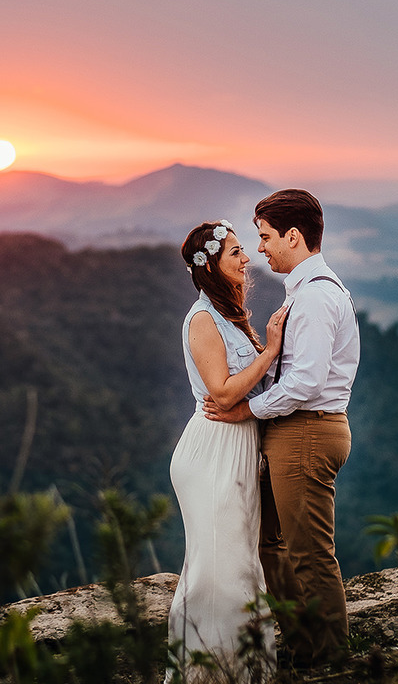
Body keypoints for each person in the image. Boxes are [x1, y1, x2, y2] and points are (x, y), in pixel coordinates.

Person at [204, 189, 360, 664]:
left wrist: (246, 411)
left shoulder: (314, 298)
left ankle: (330, 659)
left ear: (294, 236)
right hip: (295, 431)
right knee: (271, 543)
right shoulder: (308, 292)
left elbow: (307, 383)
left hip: (307, 431)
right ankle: (302, 643)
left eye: (266, 236)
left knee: (308, 552)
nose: (260, 248)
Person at [167, 219, 287, 682]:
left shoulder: (230, 315)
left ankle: (242, 666)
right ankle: (211, 672)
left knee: (237, 561)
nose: (247, 258)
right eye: (236, 251)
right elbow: (221, 393)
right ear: (212, 266)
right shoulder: (201, 319)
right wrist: (270, 350)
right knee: (221, 567)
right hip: (212, 452)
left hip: (236, 449)